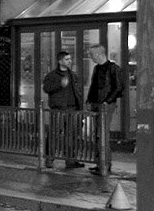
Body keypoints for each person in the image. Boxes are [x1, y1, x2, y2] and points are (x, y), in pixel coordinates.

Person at [86, 44, 125, 175]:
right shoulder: (98, 68)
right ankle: (100, 163)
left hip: (105, 105)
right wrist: (89, 100)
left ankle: (104, 164)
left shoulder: (113, 69)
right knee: (98, 134)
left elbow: (119, 88)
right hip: (99, 103)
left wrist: (107, 101)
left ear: (98, 54)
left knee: (101, 134)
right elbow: (94, 86)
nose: (90, 57)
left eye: (91, 54)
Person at [41, 51, 83, 169]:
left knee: (71, 135)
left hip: (72, 108)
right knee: (54, 134)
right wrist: (60, 84)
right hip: (58, 108)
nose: (70, 61)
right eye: (67, 59)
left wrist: (79, 106)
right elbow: (46, 88)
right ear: (60, 61)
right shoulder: (52, 75)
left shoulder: (72, 75)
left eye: (70, 59)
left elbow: (77, 91)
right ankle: (49, 158)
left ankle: (70, 160)